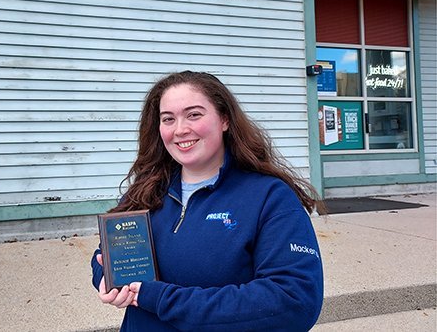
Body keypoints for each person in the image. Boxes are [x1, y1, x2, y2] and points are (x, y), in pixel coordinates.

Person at [91, 71, 325, 331]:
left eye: (194, 115)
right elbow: (108, 251)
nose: (180, 129)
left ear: (224, 119)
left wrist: (161, 299)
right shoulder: (148, 189)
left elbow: (293, 301)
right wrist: (107, 277)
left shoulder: (269, 197)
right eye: (168, 119)